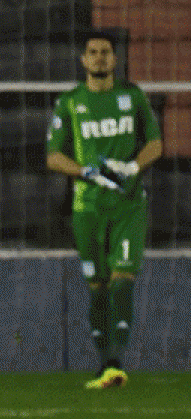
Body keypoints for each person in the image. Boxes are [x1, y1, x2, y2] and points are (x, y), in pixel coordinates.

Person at [46, 31, 162, 390]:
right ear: (83, 60)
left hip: (127, 204)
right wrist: (84, 171)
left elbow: (155, 143)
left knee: (122, 278)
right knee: (96, 286)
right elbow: (53, 156)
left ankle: (115, 361)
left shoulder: (132, 96)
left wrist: (131, 168)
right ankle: (104, 364)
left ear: (114, 59)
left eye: (106, 52)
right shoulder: (69, 103)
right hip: (88, 207)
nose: (99, 58)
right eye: (93, 52)